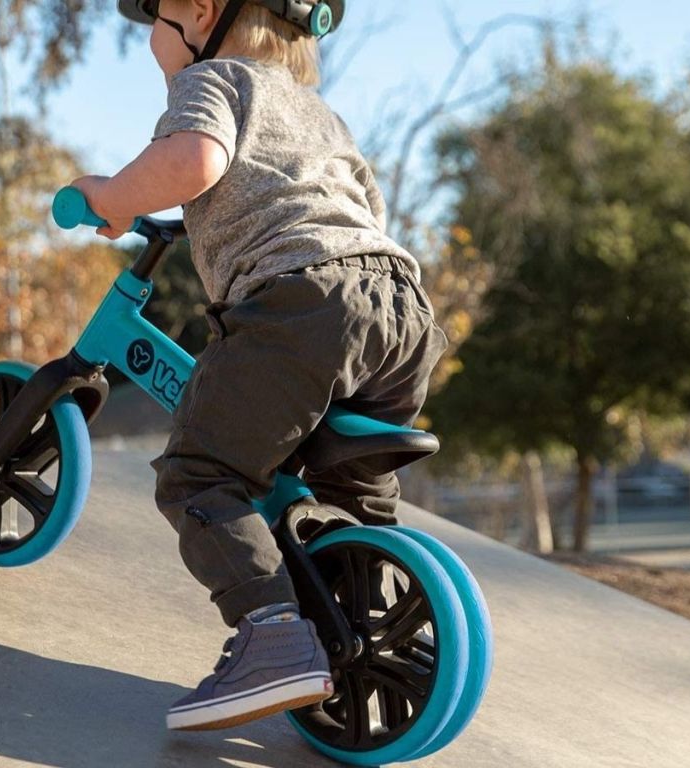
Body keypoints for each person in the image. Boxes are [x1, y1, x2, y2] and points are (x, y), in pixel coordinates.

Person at [70, 0, 448, 732]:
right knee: (348, 493)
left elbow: (194, 160)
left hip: (306, 303)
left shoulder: (216, 79)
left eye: (151, 12)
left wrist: (111, 197)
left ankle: (272, 634)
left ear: (200, 12)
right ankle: (365, 625)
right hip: (402, 312)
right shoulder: (317, 112)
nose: (149, 32)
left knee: (201, 473)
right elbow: (364, 210)